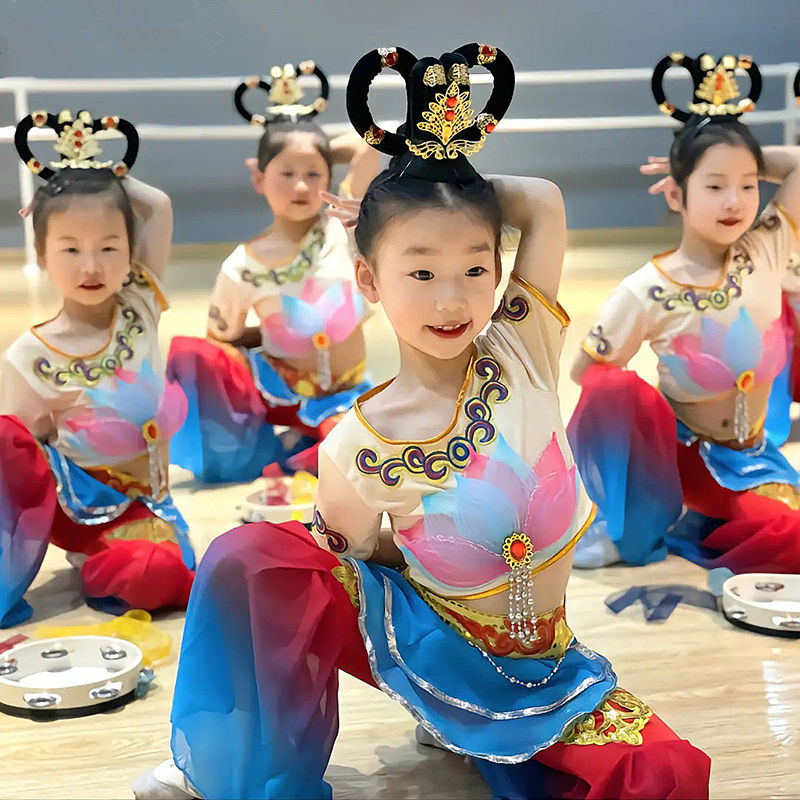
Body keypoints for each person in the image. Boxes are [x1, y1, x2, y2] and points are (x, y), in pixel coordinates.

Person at [135, 44, 709, 800]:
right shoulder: (355, 446)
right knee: (256, 559)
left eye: (476, 268)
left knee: (664, 772)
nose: (452, 301)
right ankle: (232, 761)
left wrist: (432, 182)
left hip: (554, 672)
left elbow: (541, 200)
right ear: (368, 279)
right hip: (436, 654)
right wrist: (397, 202)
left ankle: (478, 738)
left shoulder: (522, 347)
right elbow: (357, 567)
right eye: (420, 271)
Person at [569, 52, 800, 572]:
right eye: (713, 185)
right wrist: (645, 434)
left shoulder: (767, 246)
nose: (734, 200)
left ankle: (705, 518)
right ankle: (637, 512)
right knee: (611, 386)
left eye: (747, 184)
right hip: (683, 457)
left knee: (788, 533)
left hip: (753, 457)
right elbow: (585, 375)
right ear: (676, 194)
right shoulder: (646, 289)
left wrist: (727, 149)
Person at [0, 109, 194, 626]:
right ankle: (94, 556)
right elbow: (23, 469)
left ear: (131, 253)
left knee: (155, 569)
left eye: (109, 247)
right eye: (69, 248)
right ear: (40, 253)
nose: (91, 266)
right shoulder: (27, 357)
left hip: (150, 509)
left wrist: (87, 182)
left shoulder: (141, 303)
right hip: (82, 508)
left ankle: (122, 559)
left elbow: (159, 205)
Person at [166, 60, 379, 483]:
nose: (301, 186)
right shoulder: (241, 265)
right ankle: (271, 444)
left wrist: (307, 145)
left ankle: (304, 448)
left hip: (346, 394)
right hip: (280, 393)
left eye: (313, 174)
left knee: (345, 455)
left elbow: (369, 147)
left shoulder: (344, 224)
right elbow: (222, 340)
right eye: (286, 173)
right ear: (258, 178)